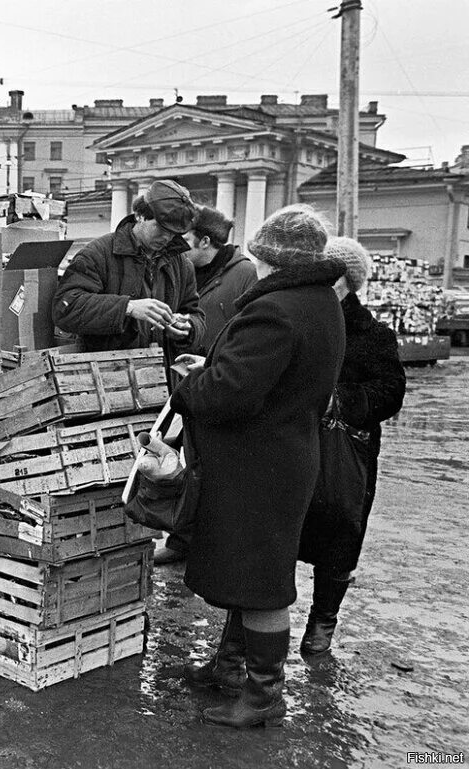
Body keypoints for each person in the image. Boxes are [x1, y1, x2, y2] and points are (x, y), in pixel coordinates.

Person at [170, 204, 346, 728]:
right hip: (280, 458)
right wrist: (219, 365)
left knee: (262, 581)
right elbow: (270, 375)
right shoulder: (321, 301)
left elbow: (230, 395)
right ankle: (228, 669)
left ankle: (263, 693)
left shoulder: (277, 308)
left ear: (270, 257)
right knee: (245, 572)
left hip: (258, 467)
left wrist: (190, 385)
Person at [296, 237, 405, 655]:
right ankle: (262, 622)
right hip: (297, 440)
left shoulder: (372, 332)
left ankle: (323, 621)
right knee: (285, 528)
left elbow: (391, 391)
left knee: (340, 530)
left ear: (344, 279)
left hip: (348, 451)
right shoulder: (303, 318)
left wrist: (341, 400)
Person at [154, 206, 257, 566]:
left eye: (186, 240)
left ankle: (203, 545)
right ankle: (181, 540)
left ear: (206, 241)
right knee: (178, 462)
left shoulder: (244, 275)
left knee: (207, 469)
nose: (180, 247)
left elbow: (248, 336)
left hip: (217, 385)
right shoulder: (191, 270)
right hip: (186, 381)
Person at [53, 179, 205, 355]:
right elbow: (66, 308)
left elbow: (195, 314)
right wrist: (128, 307)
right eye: (160, 228)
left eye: (173, 233)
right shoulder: (97, 253)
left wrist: (187, 327)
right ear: (140, 215)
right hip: (111, 374)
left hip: (160, 376)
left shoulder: (182, 264)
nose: (167, 238)